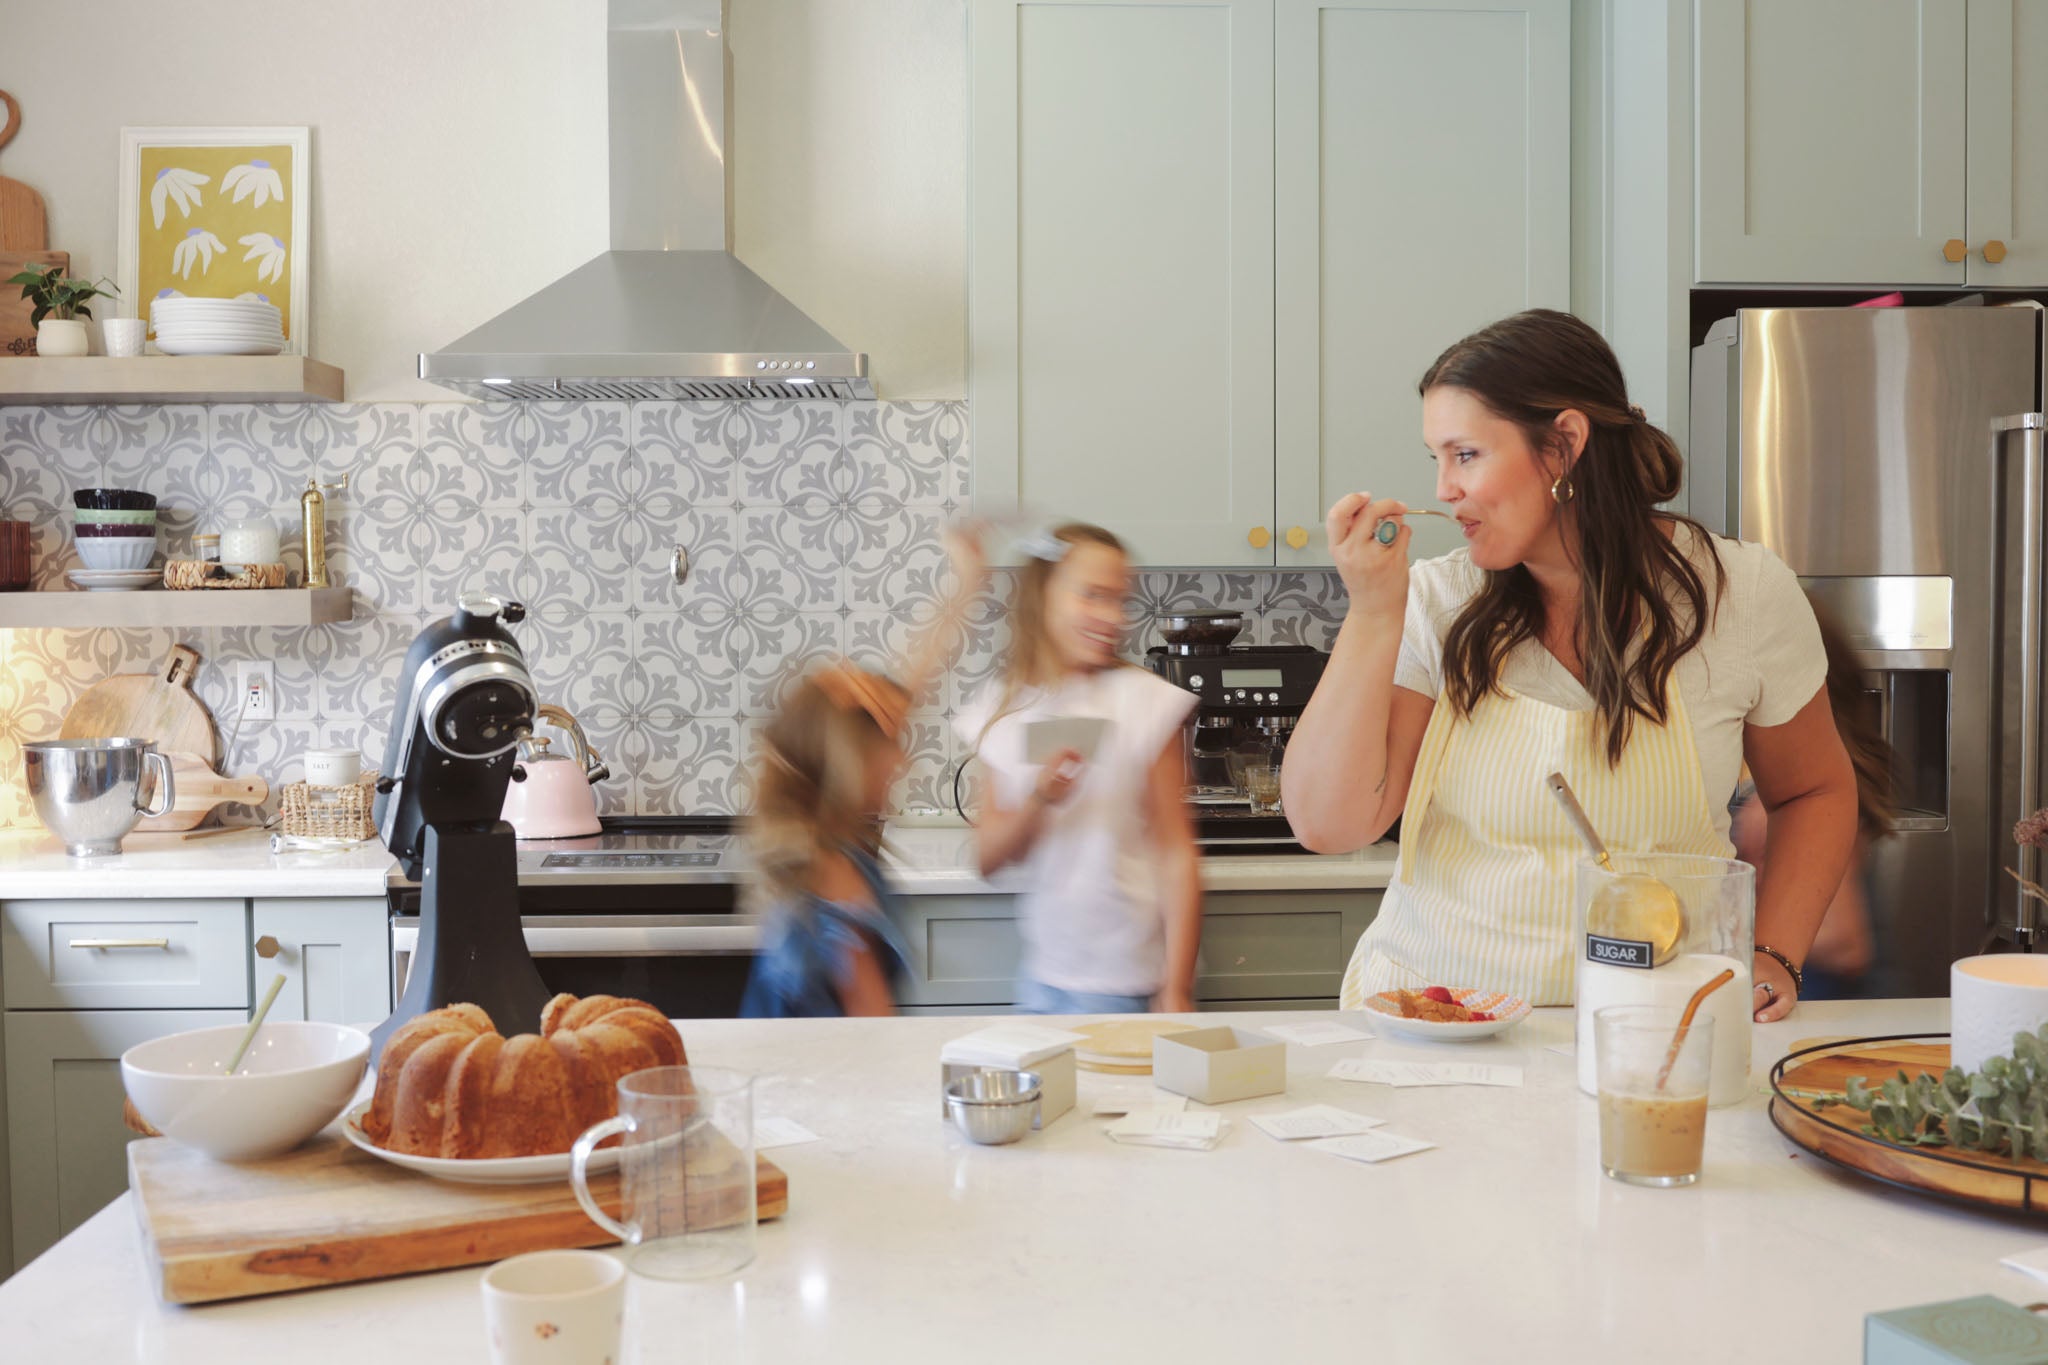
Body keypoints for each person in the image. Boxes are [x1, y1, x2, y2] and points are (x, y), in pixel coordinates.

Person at [1281, 309, 1858, 1023]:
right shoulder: (1437, 599)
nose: (1443, 489)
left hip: (1658, 1027)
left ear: (1563, 446)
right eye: (1438, 457)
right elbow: (1326, 824)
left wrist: (1776, 949)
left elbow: (1815, 791)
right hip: (1435, 1026)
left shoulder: (1741, 595)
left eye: (1464, 455)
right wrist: (1372, 610)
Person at [957, 523, 1203, 1014]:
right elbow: (987, 860)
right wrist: (1040, 799)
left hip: (1126, 982)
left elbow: (1176, 854)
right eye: (1092, 596)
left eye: (1119, 600)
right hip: (1041, 981)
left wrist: (1176, 987)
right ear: (1042, 596)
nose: (1111, 616)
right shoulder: (1004, 710)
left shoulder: (1145, 704)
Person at [740, 532, 986, 1018]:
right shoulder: (835, 876)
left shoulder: (819, 839)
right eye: (889, 749)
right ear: (849, 769)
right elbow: (875, 1032)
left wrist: (966, 585)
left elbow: (912, 686)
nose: (903, 763)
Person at [1729, 599, 1896, 998]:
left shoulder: (1781, 801)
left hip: (1813, 1004)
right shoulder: (1831, 776)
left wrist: (1713, 928)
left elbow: (1842, 942)